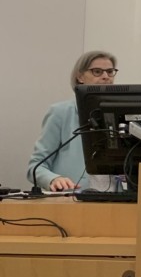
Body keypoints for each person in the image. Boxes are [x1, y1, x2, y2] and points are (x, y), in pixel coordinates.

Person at [27, 51, 118, 191]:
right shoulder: (61, 112)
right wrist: (53, 179)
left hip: (118, 202)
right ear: (80, 77)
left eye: (110, 71)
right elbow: (35, 167)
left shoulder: (121, 115)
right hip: (73, 200)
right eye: (97, 71)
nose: (106, 77)